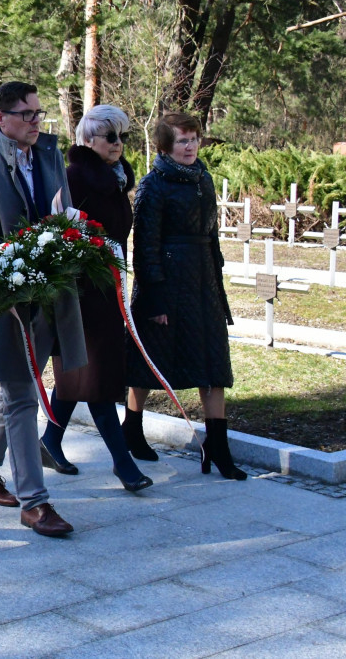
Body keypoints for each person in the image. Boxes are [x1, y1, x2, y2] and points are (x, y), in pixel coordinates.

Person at [0, 81, 86, 537]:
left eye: (38, 113)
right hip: (7, 301)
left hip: (51, 297)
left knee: (17, 388)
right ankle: (35, 503)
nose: (35, 121)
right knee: (22, 396)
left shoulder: (51, 157)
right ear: (0, 118)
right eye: (26, 114)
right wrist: (32, 261)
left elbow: (64, 214)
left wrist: (69, 249)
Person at [36, 105, 152, 492]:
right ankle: (123, 465)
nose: (118, 144)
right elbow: (55, 229)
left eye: (122, 136)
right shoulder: (75, 178)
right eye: (110, 137)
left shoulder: (115, 179)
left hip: (107, 290)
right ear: (88, 140)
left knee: (78, 372)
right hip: (81, 293)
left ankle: (50, 441)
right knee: (96, 377)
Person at [124, 112, 245, 480]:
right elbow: (144, 246)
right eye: (182, 140)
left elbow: (211, 234)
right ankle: (131, 429)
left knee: (214, 365)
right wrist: (155, 299)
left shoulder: (203, 178)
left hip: (203, 282)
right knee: (151, 363)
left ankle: (218, 448)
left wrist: (215, 277)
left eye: (194, 138)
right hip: (165, 284)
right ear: (165, 145)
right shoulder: (152, 185)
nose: (190, 146)